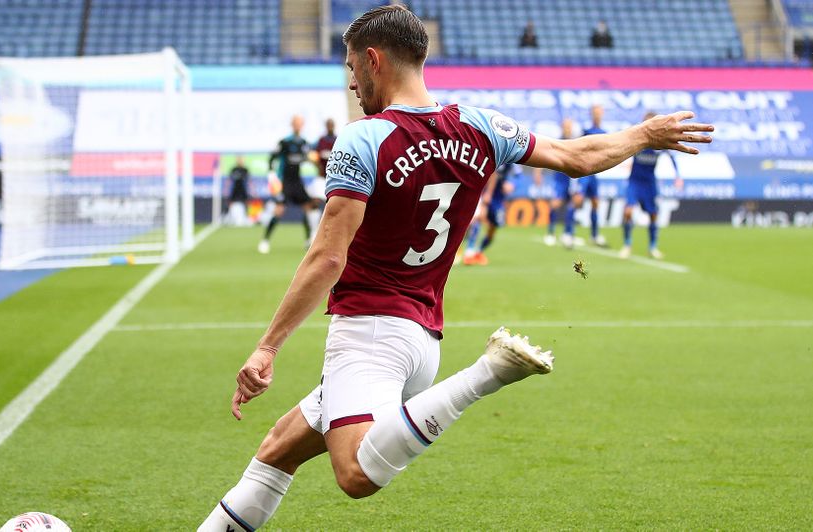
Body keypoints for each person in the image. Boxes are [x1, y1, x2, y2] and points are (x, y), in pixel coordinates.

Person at [198, 6, 711, 530]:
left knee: (354, 472)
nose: (352, 83)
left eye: (352, 68)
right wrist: (643, 135)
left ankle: (488, 373)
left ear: (374, 60)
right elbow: (577, 156)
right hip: (421, 342)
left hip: (369, 333)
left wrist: (267, 346)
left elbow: (329, 256)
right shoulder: (480, 126)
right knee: (278, 450)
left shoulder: (364, 138)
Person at [620, 111, 683, 260]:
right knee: (628, 212)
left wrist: (678, 176)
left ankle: (653, 247)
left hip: (649, 183)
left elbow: (672, 156)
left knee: (653, 215)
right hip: (634, 182)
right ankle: (627, 245)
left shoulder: (660, 143)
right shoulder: (636, 141)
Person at [258, 115, 321, 254]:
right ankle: (265, 241)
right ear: (292, 125)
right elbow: (272, 158)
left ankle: (308, 239)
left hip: (297, 181)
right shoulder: (285, 142)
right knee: (279, 210)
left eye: (300, 124)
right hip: (285, 181)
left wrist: (315, 163)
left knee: (309, 207)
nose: (298, 126)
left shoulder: (304, 143)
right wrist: (272, 175)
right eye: (296, 123)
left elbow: (308, 158)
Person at [461, 162, 519, 266]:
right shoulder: (494, 153)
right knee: (477, 218)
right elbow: (493, 173)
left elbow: (519, 176)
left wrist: (512, 184)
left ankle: (478, 252)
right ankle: (468, 252)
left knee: (494, 227)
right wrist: (488, 193)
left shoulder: (511, 160)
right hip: (483, 192)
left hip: (498, 198)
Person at [536, 118, 580, 248]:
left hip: (572, 180)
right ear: (562, 127)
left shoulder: (575, 142)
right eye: (566, 126)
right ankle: (550, 232)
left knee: (573, 205)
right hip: (560, 180)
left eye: (569, 126)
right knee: (555, 204)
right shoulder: (558, 141)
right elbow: (544, 155)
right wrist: (538, 172)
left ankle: (568, 233)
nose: (568, 128)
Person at [576, 105, 607, 247]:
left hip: (594, 174)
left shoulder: (604, 133)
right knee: (577, 200)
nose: (597, 115)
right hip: (584, 172)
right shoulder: (586, 132)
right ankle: (568, 233)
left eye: (599, 113)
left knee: (595, 203)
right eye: (595, 113)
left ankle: (594, 235)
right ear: (591, 114)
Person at [226, 156, 251, 227]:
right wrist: (226, 190)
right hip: (235, 189)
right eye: (239, 160)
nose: (240, 161)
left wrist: (253, 191)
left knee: (246, 203)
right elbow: (229, 180)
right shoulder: (234, 169)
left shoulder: (245, 170)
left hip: (243, 189)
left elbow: (249, 181)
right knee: (231, 203)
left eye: (241, 160)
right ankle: (230, 217)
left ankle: (246, 218)